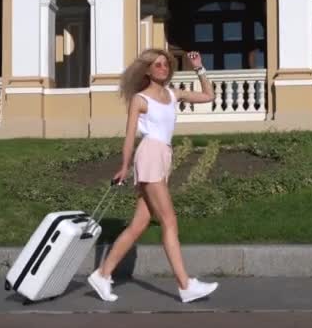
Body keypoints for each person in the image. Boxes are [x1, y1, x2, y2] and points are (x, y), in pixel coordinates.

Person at [88, 49, 218, 303]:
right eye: (157, 65)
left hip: (164, 156)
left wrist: (199, 68)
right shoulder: (140, 99)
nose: (162, 68)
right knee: (169, 220)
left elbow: (208, 95)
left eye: (165, 64)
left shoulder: (172, 94)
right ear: (147, 70)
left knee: (138, 225)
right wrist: (124, 166)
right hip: (149, 154)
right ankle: (185, 285)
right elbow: (128, 138)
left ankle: (102, 275)